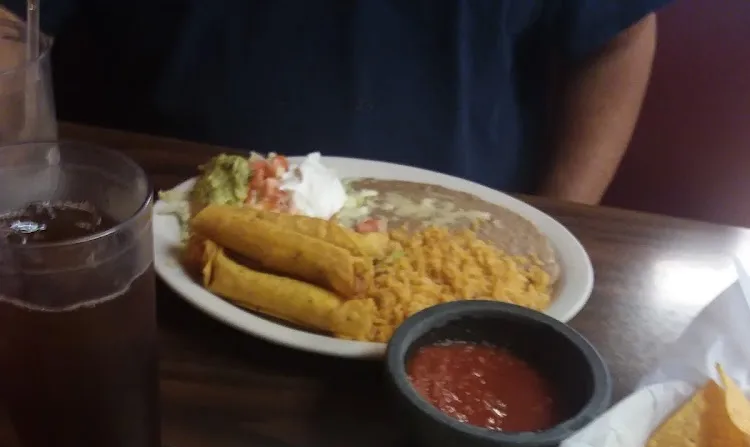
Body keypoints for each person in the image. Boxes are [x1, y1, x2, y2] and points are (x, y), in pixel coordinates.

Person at [0, 1, 668, 203]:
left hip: (466, 248)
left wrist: (562, 217)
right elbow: (12, 25)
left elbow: (618, 33)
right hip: (158, 253)